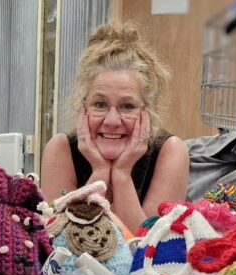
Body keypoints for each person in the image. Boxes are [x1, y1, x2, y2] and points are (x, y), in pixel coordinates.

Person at [41, 23, 189, 234]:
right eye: (100, 105)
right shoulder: (60, 149)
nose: (112, 120)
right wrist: (100, 171)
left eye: (127, 106)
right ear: (84, 107)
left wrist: (121, 174)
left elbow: (148, 247)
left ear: (147, 111)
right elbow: (64, 240)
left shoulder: (170, 151)